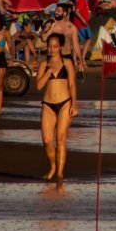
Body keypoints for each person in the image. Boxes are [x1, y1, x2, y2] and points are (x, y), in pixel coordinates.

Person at [36, 33, 77, 182]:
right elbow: (39, 85)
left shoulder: (67, 63)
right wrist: (49, 71)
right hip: (47, 105)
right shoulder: (43, 64)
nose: (52, 49)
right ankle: (53, 165)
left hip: (65, 103)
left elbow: (72, 84)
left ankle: (60, 173)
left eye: (55, 46)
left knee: (60, 139)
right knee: (47, 140)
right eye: (49, 46)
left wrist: (75, 104)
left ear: (60, 47)